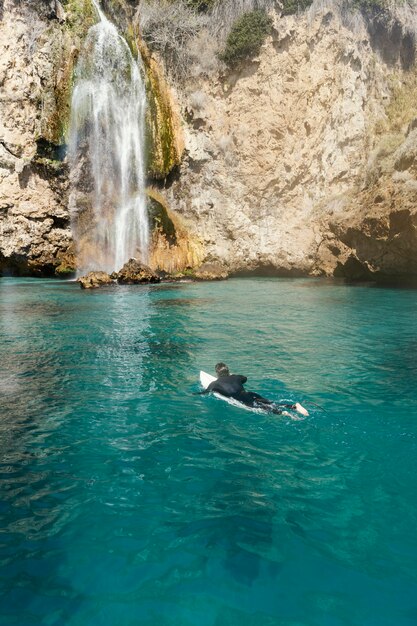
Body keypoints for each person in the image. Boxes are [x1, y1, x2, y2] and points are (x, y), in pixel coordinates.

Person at [197, 362, 300, 415]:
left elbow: (204, 392)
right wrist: (233, 375)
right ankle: (293, 406)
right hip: (250, 394)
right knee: (269, 402)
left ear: (217, 373)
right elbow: (245, 379)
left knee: (262, 408)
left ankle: (282, 413)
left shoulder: (215, 384)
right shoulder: (236, 377)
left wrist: (196, 394)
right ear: (228, 371)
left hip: (242, 400)